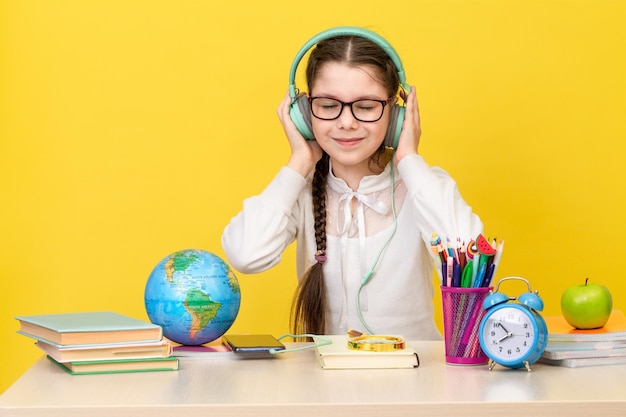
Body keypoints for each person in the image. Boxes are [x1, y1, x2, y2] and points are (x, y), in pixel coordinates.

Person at [222, 28, 482, 341]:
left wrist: (410, 159)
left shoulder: (423, 186)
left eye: (367, 106)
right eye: (329, 105)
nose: (347, 122)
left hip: (417, 382)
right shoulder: (301, 192)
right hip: (323, 384)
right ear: (304, 112)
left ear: (397, 112)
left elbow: (470, 265)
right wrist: (299, 163)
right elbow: (245, 255)